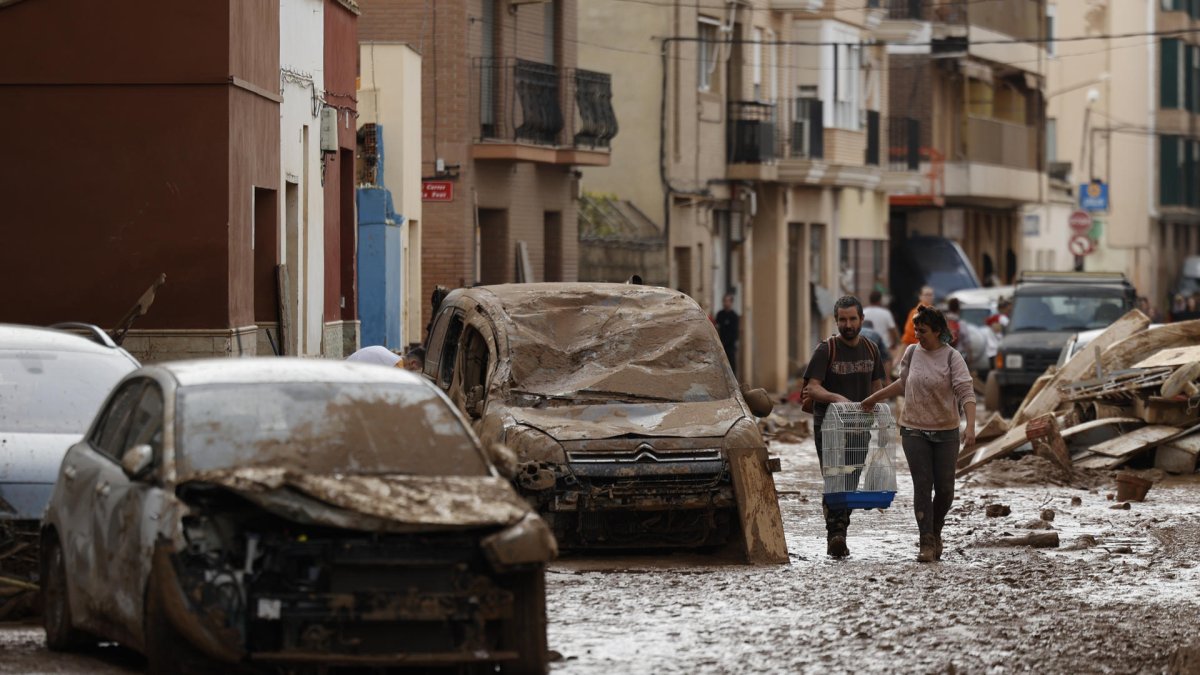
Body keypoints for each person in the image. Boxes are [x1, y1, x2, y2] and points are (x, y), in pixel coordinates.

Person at [860, 305, 977, 563]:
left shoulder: (952, 358)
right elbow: (902, 384)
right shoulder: (912, 352)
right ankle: (926, 541)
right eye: (916, 330)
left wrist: (970, 426)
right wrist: (873, 398)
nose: (917, 335)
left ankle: (935, 532)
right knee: (922, 486)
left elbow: (966, 392)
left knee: (946, 490)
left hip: (946, 431)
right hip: (913, 430)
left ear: (937, 331)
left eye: (922, 331)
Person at [801, 296, 886, 558]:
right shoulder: (826, 350)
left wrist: (873, 410)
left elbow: (878, 387)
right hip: (828, 426)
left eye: (852, 319)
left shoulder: (871, 349)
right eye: (842, 320)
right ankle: (836, 535)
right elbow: (811, 387)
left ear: (861, 319)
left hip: (860, 427)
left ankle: (839, 529)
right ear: (836, 320)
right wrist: (837, 399)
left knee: (850, 478)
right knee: (835, 477)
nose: (847, 325)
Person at [863, 289, 899, 364]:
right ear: (880, 300)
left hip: (866, 348)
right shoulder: (886, 313)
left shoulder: (863, 312)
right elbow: (893, 331)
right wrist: (894, 344)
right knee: (885, 370)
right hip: (883, 348)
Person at [715, 293, 740, 376]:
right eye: (724, 301)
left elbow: (734, 333)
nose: (726, 303)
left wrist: (726, 342)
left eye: (727, 301)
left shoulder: (734, 316)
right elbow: (716, 328)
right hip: (720, 346)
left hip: (730, 347)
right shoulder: (720, 315)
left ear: (731, 302)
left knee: (731, 367)